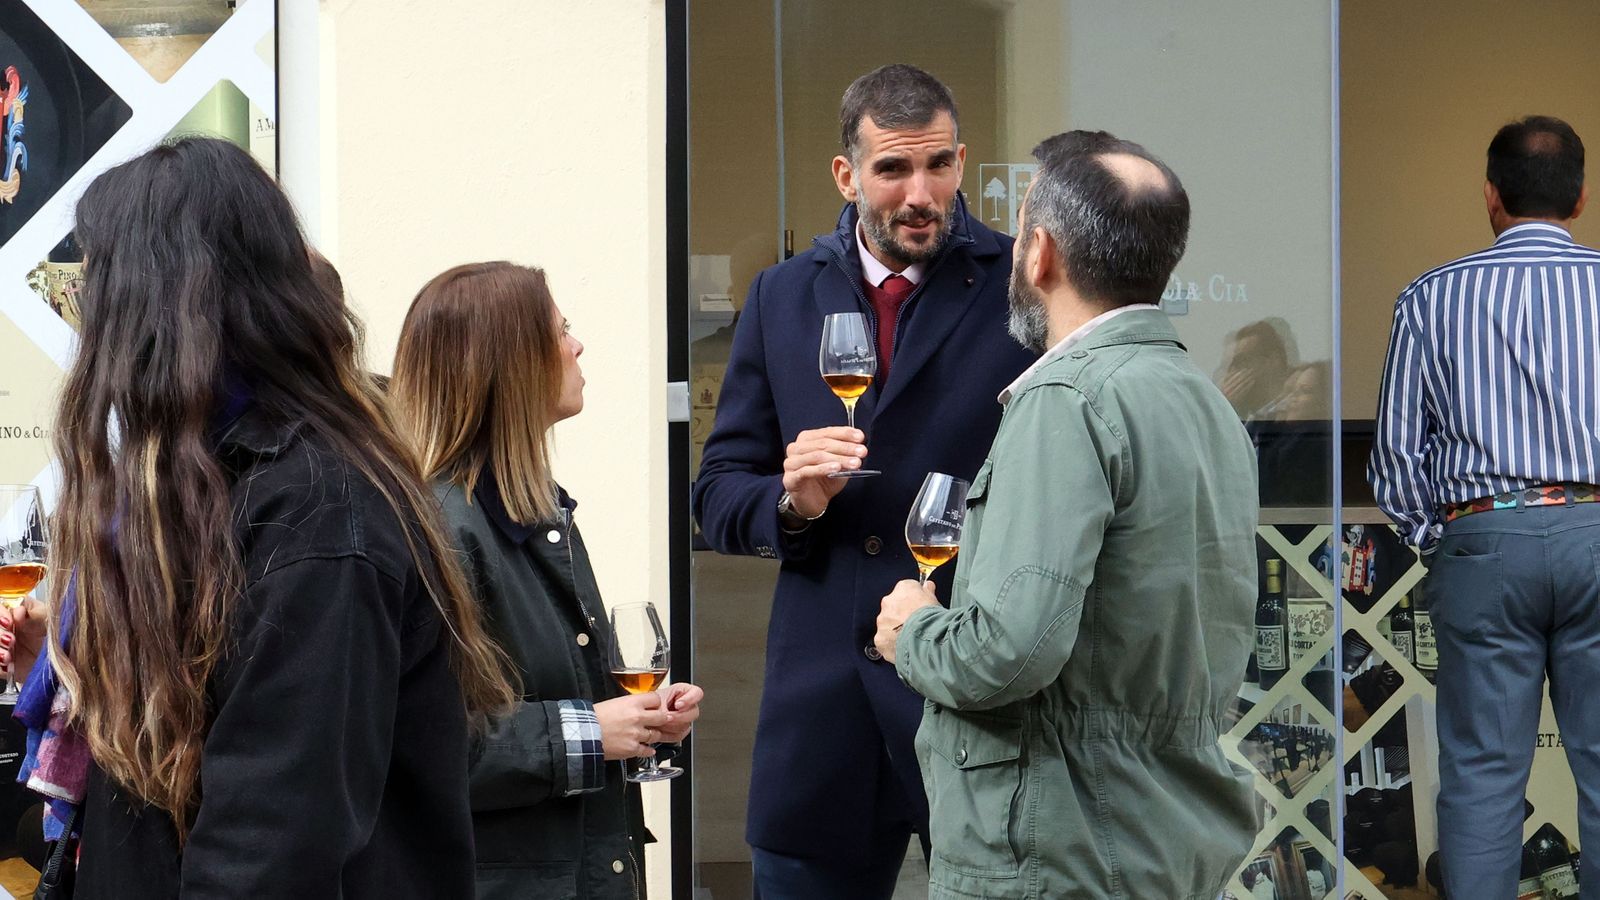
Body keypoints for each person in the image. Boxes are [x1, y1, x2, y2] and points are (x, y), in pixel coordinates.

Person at [0, 136, 515, 898]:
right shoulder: (217, 481)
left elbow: (269, 850)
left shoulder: (316, 513)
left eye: (97, 284)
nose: (88, 319)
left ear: (161, 304)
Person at [874, 131, 1260, 898]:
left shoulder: (1066, 400)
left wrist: (911, 628)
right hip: (1164, 839)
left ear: (1041, 253)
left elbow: (1009, 653)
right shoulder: (1206, 402)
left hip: (1060, 852)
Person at [692, 64, 1033, 897]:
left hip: (973, 693)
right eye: (893, 169)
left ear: (962, 159)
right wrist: (789, 501)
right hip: (820, 716)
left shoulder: (1024, 286)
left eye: (940, 165)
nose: (921, 193)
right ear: (847, 176)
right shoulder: (780, 296)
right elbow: (716, 491)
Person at [391, 261, 704, 899]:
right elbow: (418, 745)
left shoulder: (533, 513)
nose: (577, 345)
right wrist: (591, 731)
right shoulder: (442, 530)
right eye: (560, 330)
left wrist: (634, 722)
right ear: (509, 365)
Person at [1369, 114, 1600, 895]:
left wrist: (1449, 539)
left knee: (1480, 777)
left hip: (1482, 539)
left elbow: (1396, 458)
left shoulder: (1430, 297)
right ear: (1580, 199)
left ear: (1492, 197)